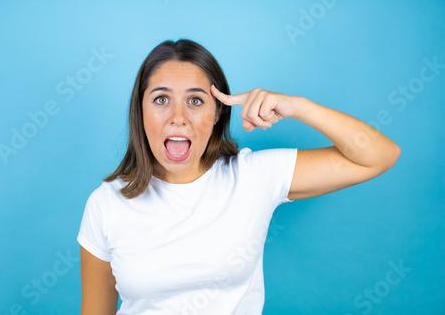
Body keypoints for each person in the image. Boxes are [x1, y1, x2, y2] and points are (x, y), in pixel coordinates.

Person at [77, 39, 400, 315]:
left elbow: (378, 156)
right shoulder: (106, 203)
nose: (178, 118)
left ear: (218, 114)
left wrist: (297, 106)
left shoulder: (253, 177)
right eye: (161, 99)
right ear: (141, 110)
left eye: (195, 100)